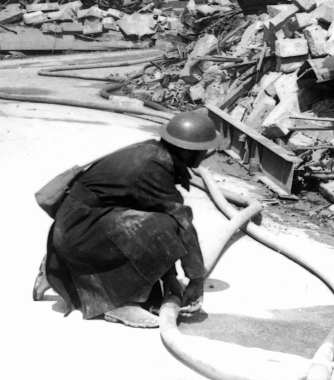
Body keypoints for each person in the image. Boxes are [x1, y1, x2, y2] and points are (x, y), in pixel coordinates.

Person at [33, 110, 222, 328]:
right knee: (166, 226)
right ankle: (119, 303)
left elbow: (148, 209)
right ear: (189, 151)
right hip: (78, 233)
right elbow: (181, 223)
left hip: (75, 227)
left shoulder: (154, 153)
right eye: (204, 149)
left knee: (160, 223)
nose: (206, 153)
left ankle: (59, 267)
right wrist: (196, 279)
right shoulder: (153, 168)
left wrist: (169, 277)